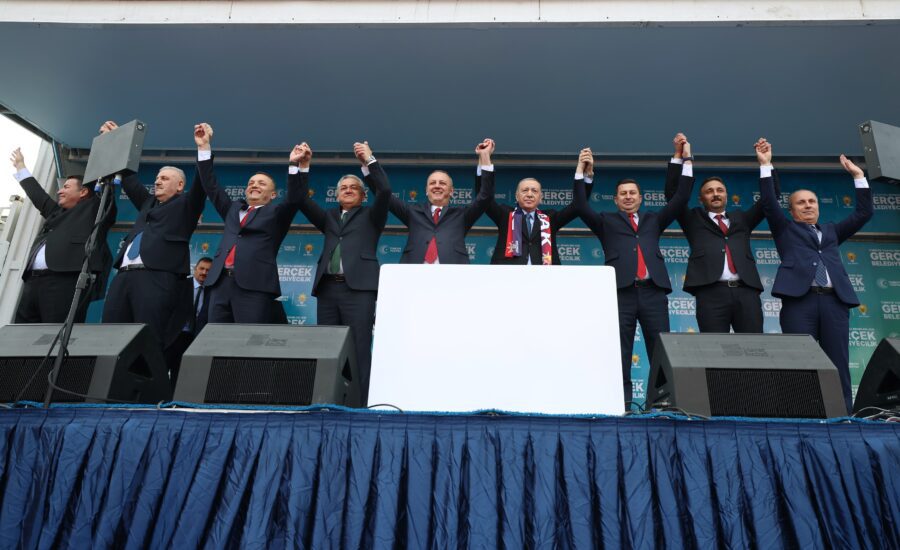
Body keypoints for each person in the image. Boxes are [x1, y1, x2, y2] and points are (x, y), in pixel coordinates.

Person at [755, 138, 873, 413]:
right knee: (800, 362)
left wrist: (858, 176)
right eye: (801, 203)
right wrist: (766, 165)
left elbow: (864, 213)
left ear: (818, 206)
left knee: (838, 362)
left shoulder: (832, 232)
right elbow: (769, 204)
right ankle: (801, 415)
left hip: (834, 302)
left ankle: (843, 415)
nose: (808, 206)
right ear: (792, 210)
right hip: (800, 302)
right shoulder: (785, 229)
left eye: (812, 201)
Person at [574, 144, 694, 409]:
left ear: (640, 198)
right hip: (621, 293)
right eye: (623, 194)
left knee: (660, 350)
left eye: (632, 193)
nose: (628, 197)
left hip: (653, 293)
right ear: (616, 200)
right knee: (621, 351)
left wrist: (683, 160)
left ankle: (663, 404)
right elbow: (580, 206)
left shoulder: (653, 220)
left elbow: (681, 198)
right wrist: (582, 171)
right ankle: (623, 403)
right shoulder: (606, 221)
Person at [296, 141, 391, 403]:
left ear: (363, 196)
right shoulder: (328, 217)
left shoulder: (373, 216)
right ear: (336, 196)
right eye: (343, 188)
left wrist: (369, 161)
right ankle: (326, 400)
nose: (348, 190)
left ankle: (362, 404)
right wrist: (303, 167)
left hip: (358, 291)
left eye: (354, 188)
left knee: (359, 347)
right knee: (326, 347)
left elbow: (384, 190)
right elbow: (300, 199)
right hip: (328, 289)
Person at [100, 120, 205, 350]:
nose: (157, 181)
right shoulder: (147, 203)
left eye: (164, 178)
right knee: (109, 337)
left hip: (156, 278)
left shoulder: (187, 205)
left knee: (147, 340)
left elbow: (202, 182)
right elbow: (129, 177)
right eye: (157, 177)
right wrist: (117, 140)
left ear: (180, 185)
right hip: (123, 277)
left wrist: (203, 148)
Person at [665, 133, 779, 333]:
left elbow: (771, 199)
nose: (715, 194)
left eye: (720, 190)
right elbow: (673, 196)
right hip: (710, 294)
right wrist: (680, 158)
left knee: (754, 346)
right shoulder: (693, 219)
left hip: (746, 292)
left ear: (726, 195)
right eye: (709, 191)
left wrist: (766, 164)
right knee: (714, 347)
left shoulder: (742, 219)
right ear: (701, 199)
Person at [193, 123, 303, 323]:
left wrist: (294, 165)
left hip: (254, 286)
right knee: (215, 337)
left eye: (261, 183)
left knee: (247, 337)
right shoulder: (233, 209)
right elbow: (211, 186)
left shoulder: (276, 214)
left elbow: (295, 198)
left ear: (273, 195)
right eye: (251, 182)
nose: (254, 185)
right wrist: (203, 147)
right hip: (219, 284)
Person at [9, 148, 116, 323]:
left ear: (83, 192)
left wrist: (109, 146)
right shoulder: (56, 213)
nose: (59, 191)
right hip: (32, 282)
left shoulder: (94, 209)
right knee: (22, 333)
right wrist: (21, 166)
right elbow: (38, 195)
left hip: (63, 282)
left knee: (55, 333)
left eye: (66, 187)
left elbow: (107, 192)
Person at [390, 139, 495, 264]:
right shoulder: (412, 212)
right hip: (415, 271)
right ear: (426, 190)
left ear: (451, 191)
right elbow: (384, 195)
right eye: (432, 183)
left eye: (442, 183)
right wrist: (370, 161)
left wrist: (485, 156)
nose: (437, 186)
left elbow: (485, 196)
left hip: (451, 271)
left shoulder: (461, 215)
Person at [478, 149, 590, 265]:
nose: (529, 194)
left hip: (544, 273)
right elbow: (484, 198)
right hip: (509, 273)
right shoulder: (505, 214)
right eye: (525, 190)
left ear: (540, 198)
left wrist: (582, 172)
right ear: (516, 196)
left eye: (534, 191)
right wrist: (484, 159)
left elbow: (578, 205)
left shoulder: (550, 217)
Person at [164, 256, 212, 383]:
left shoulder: (212, 292)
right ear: (195, 269)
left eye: (208, 270)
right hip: (174, 337)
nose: (204, 272)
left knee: (180, 378)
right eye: (201, 268)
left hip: (194, 340)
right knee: (161, 374)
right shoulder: (181, 285)